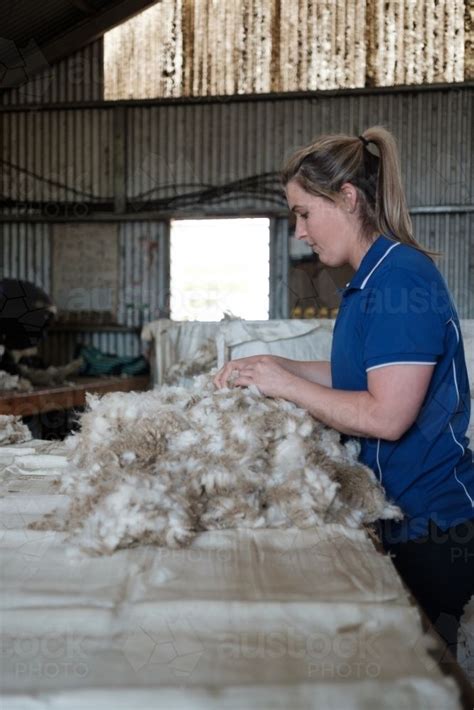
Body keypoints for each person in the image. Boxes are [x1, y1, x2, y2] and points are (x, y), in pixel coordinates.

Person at [214, 126, 474, 660]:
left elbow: (386, 415)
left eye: (304, 213)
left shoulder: (401, 279)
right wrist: (273, 365)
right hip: (391, 512)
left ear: (348, 198)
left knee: (425, 672)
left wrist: (282, 383)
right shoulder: (366, 281)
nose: (299, 231)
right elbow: (358, 377)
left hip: (433, 525)